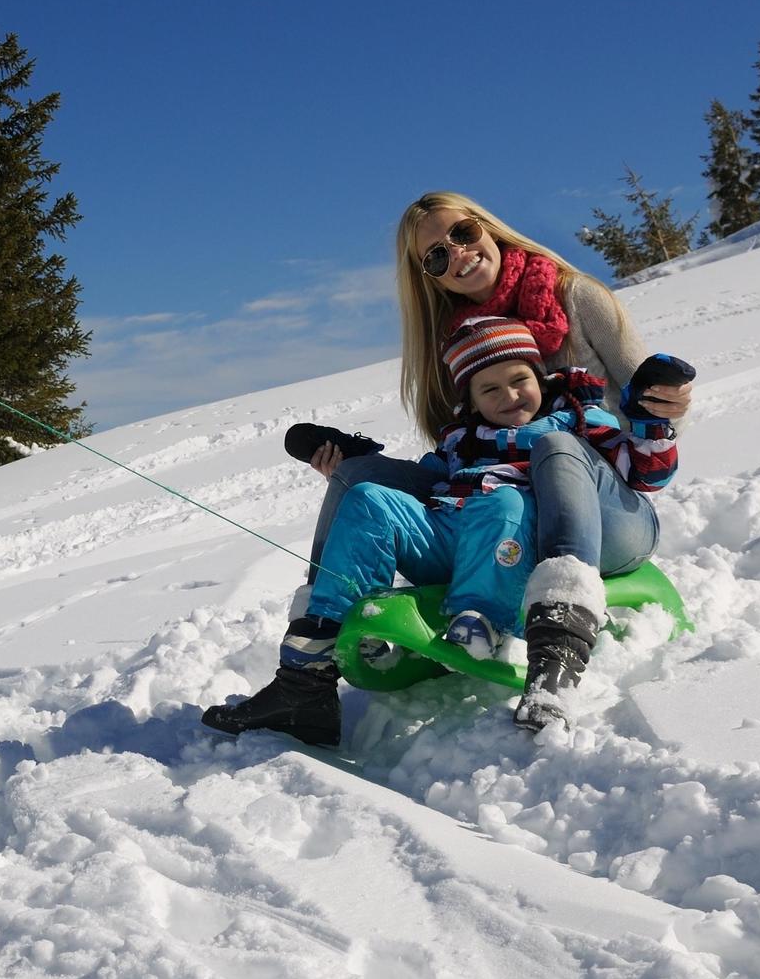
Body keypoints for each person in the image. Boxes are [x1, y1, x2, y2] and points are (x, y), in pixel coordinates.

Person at [205, 314, 681, 743]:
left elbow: (646, 473)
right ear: (471, 401)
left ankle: (501, 629)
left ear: (540, 377)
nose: (509, 396)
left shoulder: (579, 421)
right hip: (464, 535)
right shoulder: (461, 439)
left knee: (508, 496)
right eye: (489, 390)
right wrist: (362, 463)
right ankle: (306, 677)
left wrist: (651, 424)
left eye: (519, 380)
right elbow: (429, 481)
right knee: (369, 497)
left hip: (551, 533)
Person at [293, 191, 692, 639]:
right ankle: (313, 641)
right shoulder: (455, 346)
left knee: (553, 445)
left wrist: (664, 406)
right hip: (499, 506)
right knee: (357, 476)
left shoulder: (575, 296)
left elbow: (650, 402)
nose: (459, 253)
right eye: (437, 257)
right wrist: (357, 462)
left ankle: (560, 611)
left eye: (463, 233)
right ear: (431, 279)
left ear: (488, 227)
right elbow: (457, 455)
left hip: (600, 507)